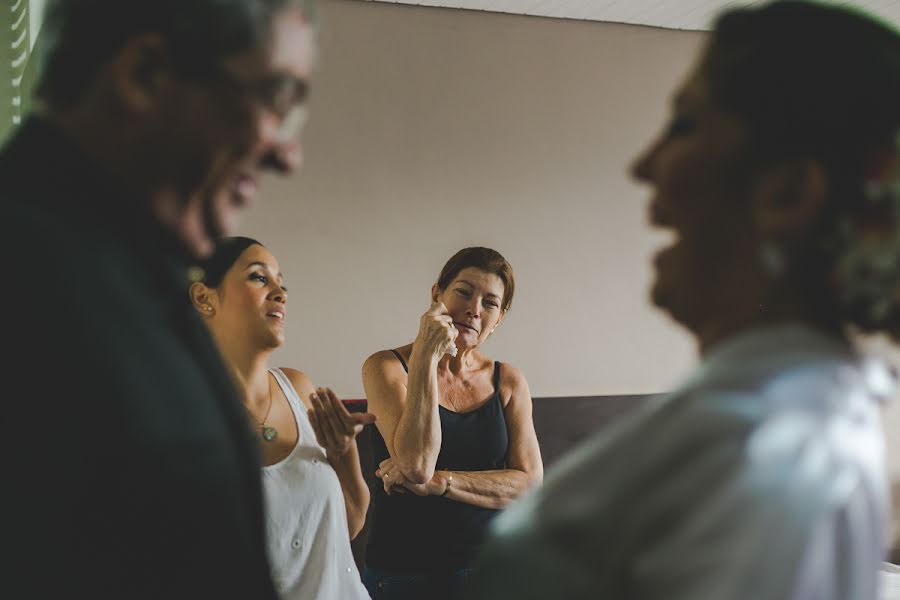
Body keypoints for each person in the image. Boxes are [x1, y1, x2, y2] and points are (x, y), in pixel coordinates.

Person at [469, 2, 900, 599]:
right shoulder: (818, 412)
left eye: (685, 126)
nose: (645, 167)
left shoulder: (755, 446)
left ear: (786, 192)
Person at [0, 1, 317, 597]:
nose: (287, 155)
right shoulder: (21, 275)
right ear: (144, 74)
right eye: (275, 102)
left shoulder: (146, 281)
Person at [189, 236, 373, 599]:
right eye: (259, 278)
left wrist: (343, 452)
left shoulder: (300, 389)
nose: (280, 293)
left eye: (281, 282)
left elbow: (348, 526)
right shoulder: (186, 413)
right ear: (204, 298)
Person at [361, 246, 544, 599]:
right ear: (436, 295)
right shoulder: (384, 368)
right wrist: (428, 357)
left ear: (500, 317)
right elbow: (416, 464)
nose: (474, 310)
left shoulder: (507, 380)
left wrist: (439, 483)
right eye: (463, 292)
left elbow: (529, 483)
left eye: (490, 302)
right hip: (405, 574)